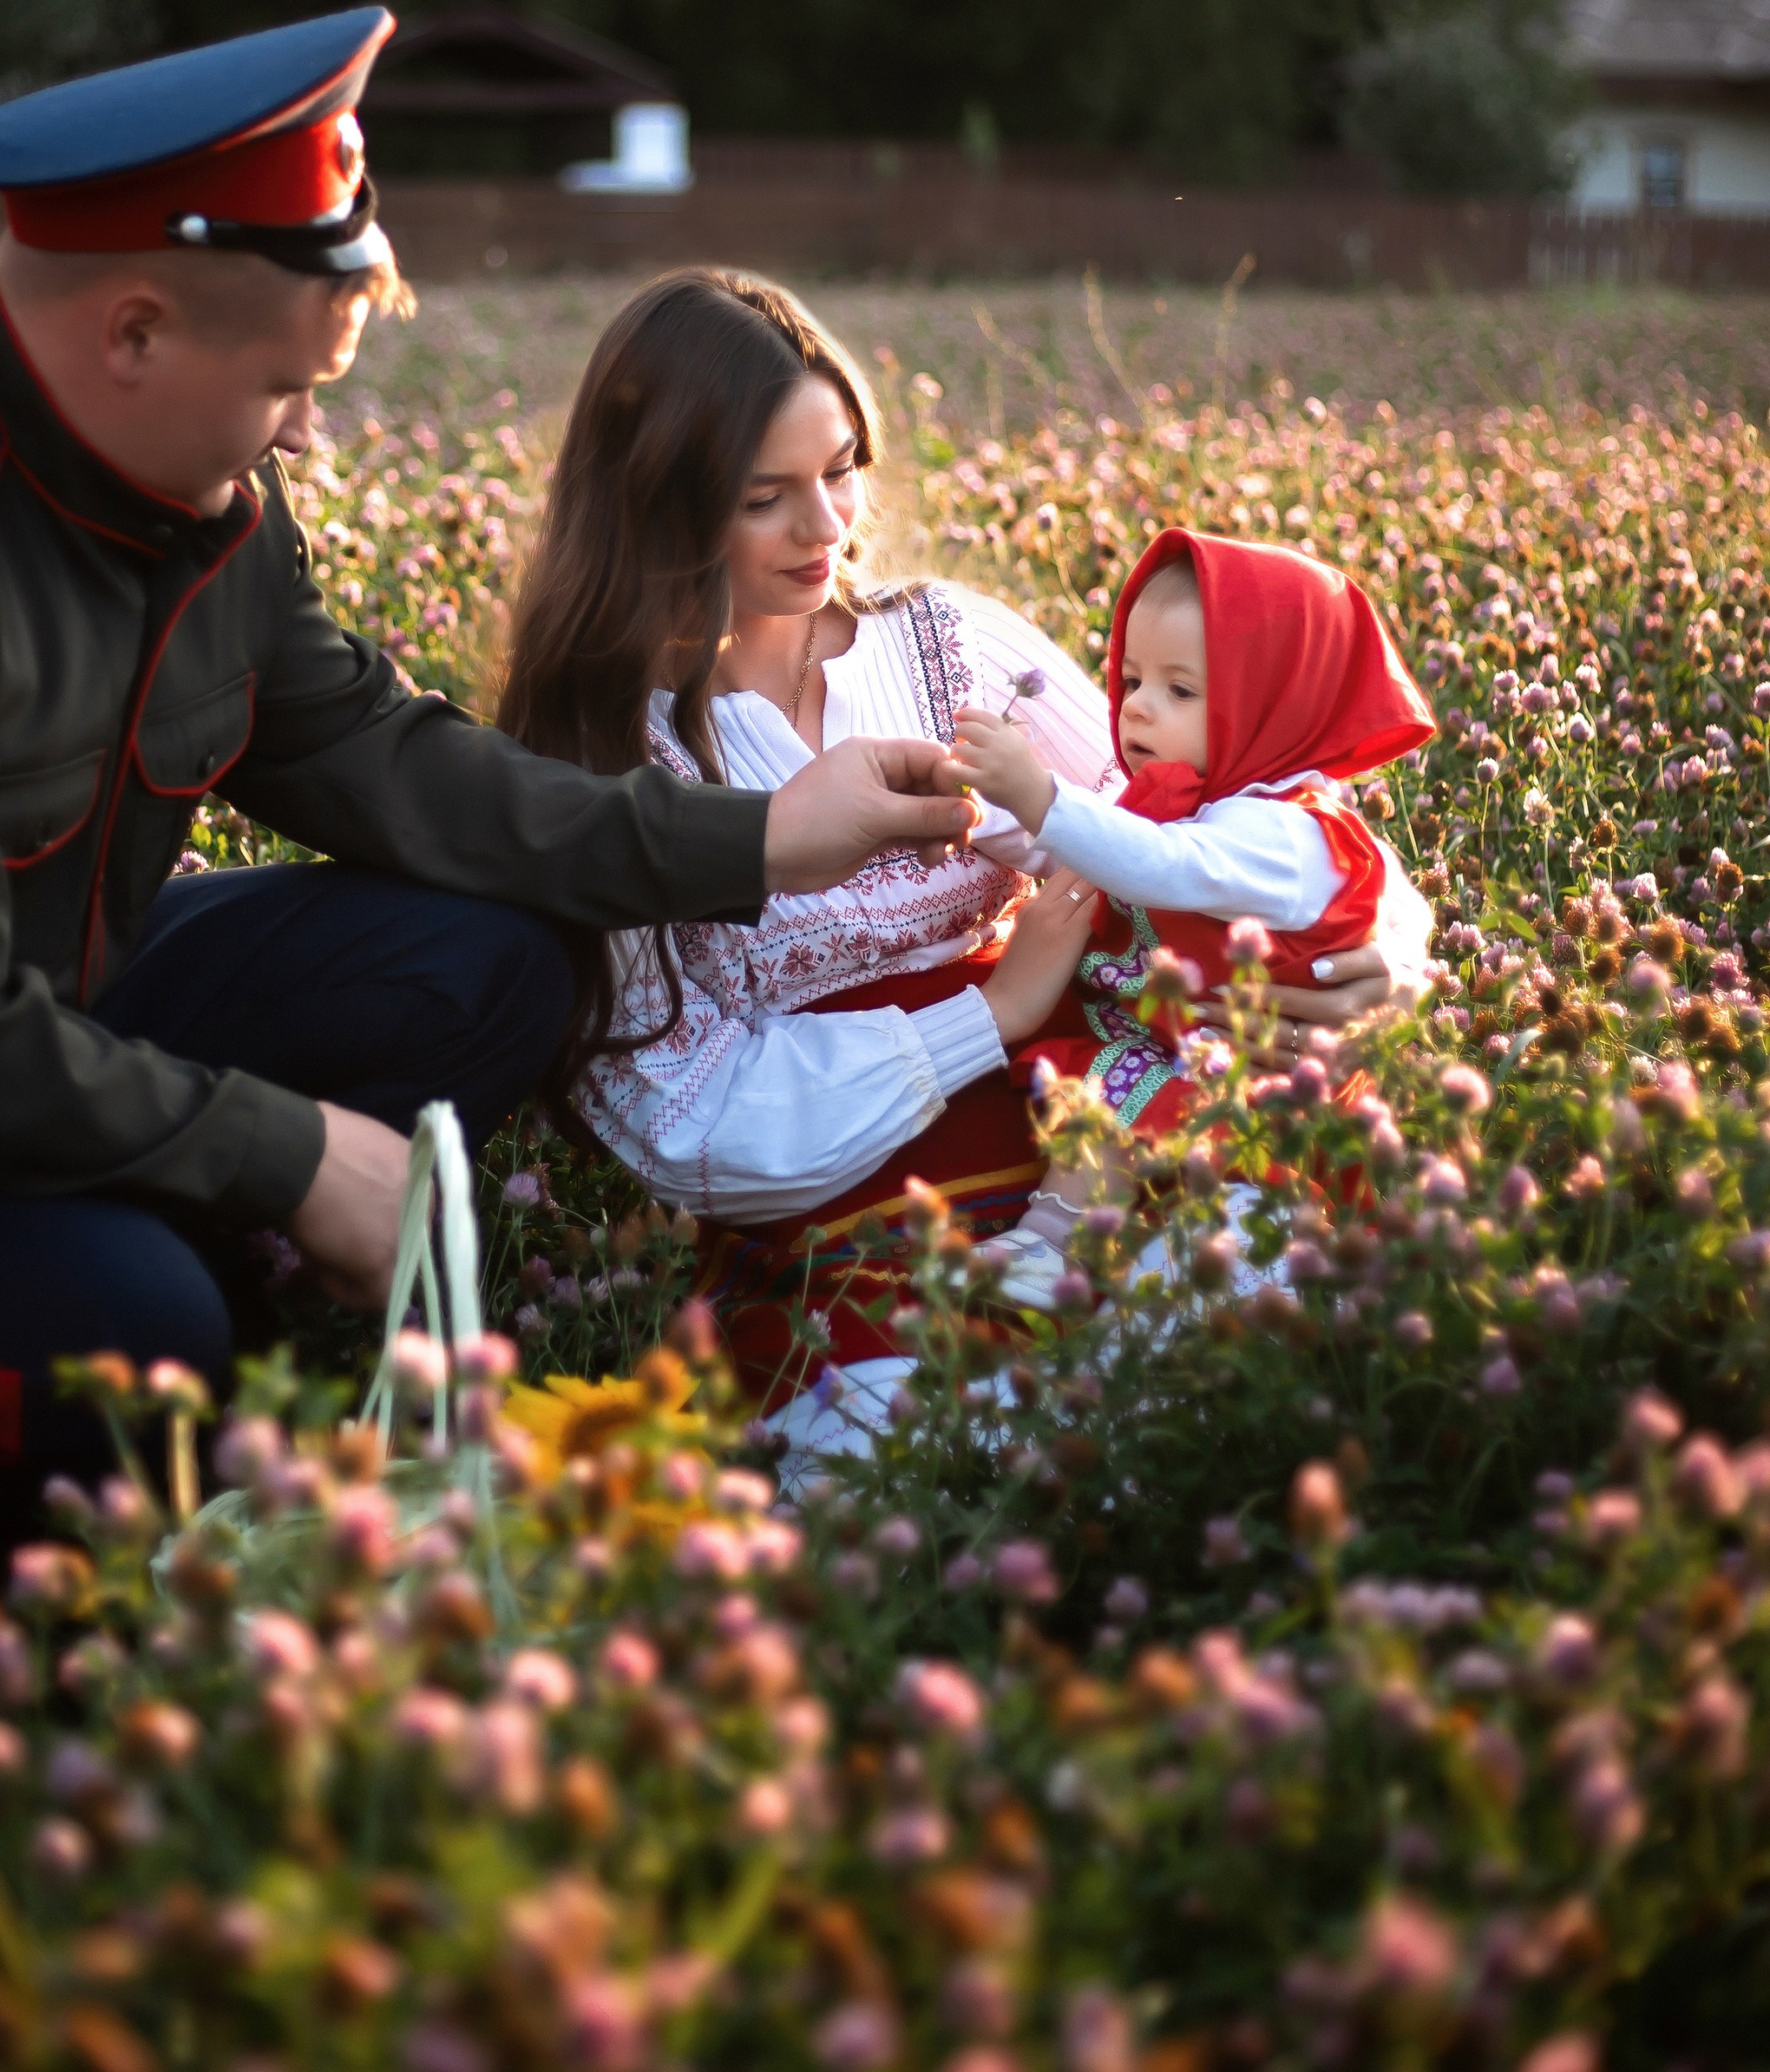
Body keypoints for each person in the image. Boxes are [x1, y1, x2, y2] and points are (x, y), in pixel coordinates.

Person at [0, 16, 973, 1545]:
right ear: (136, 332)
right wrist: (283, 1153)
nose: (306, 430)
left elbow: (384, 760)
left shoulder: (187, 472)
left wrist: (756, 834)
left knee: (488, 961)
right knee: (130, 1362)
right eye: (287, 387)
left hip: (26, 1012)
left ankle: (150, 1293)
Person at [495, 272, 1406, 1444]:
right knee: (956, 1459)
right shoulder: (598, 757)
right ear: (659, 507)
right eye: (764, 496)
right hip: (857, 1226)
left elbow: (1223, 819)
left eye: (841, 471)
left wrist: (1376, 957)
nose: (828, 527)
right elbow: (695, 1129)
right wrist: (998, 1008)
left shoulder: (954, 645)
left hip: (1112, 1140)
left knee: (1297, 1340)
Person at [952, 524, 1436, 1131]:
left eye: (1179, 689)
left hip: (1271, 1090)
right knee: (1108, 1105)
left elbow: (1163, 863)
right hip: (1183, 1055)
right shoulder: (1189, 800)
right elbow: (1098, 845)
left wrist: (1037, 796)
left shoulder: (1281, 831)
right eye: (1132, 680)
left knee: (1233, 1207)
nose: (1135, 706)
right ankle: (1052, 1227)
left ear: (1274, 710)